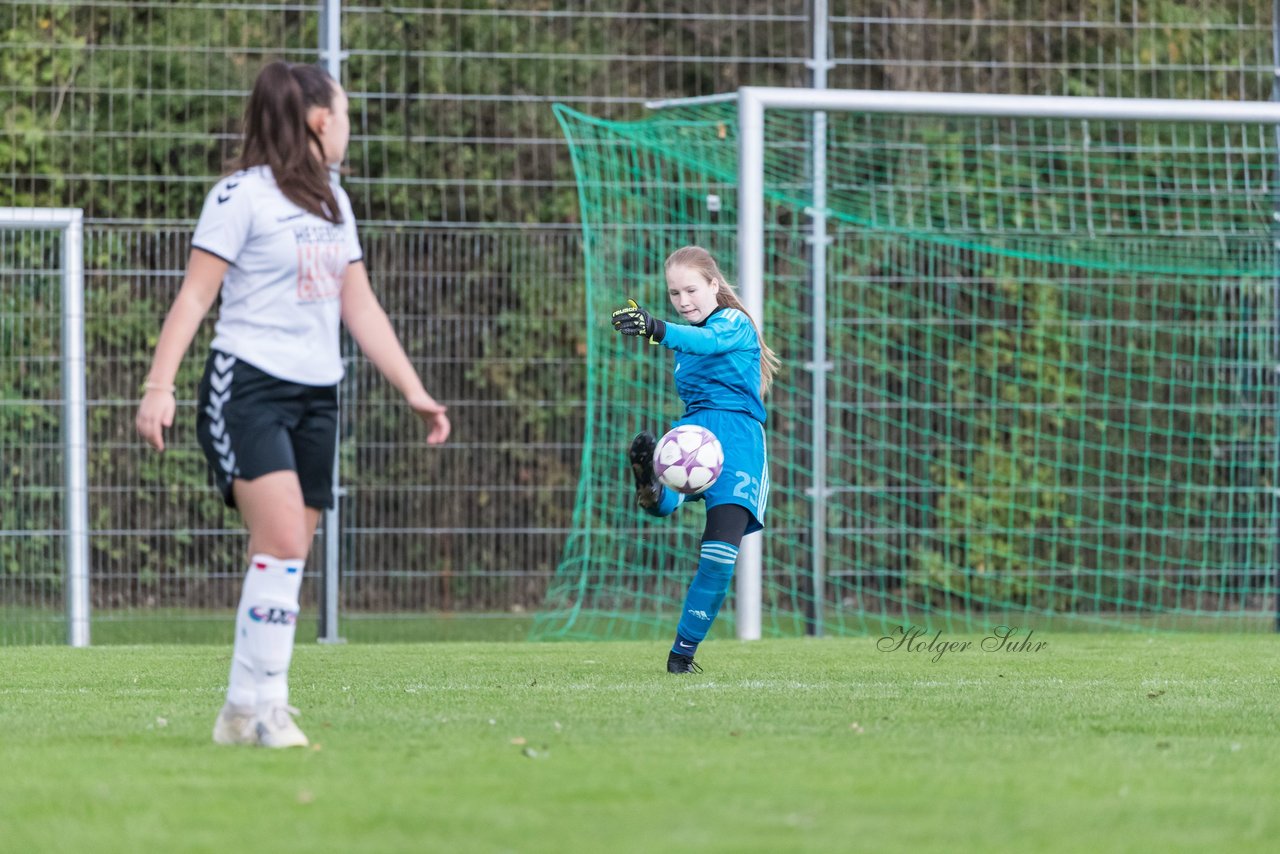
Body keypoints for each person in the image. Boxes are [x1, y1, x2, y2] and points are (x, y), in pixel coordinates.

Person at [135, 61, 450, 747]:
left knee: (285, 555)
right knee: (280, 543)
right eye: (344, 114)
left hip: (318, 393)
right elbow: (195, 296)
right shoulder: (238, 197)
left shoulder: (334, 201)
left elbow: (357, 302)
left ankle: (239, 707)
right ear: (317, 121)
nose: (347, 128)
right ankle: (270, 706)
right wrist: (158, 387)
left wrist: (413, 387)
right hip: (247, 385)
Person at [610, 246, 780, 674]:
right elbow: (691, 341)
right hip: (694, 436)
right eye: (674, 293)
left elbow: (708, 340)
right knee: (674, 505)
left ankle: (681, 654)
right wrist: (661, 329)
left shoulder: (734, 322)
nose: (683, 300)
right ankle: (652, 488)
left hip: (738, 441)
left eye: (691, 290)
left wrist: (655, 327)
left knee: (718, 557)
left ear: (713, 285)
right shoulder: (683, 344)